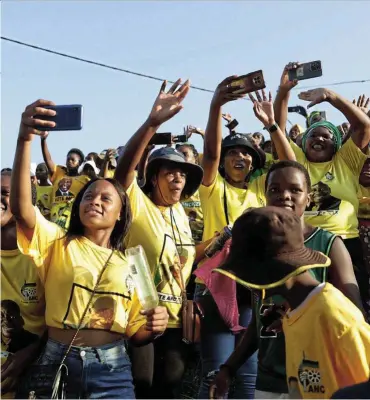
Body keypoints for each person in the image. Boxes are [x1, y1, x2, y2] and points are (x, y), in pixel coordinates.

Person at [11, 99, 169, 399]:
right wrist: (24, 138)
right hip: (56, 364)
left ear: (121, 212)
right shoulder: (57, 242)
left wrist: (155, 324)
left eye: (105, 198)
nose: (94, 201)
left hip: (113, 372)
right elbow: (22, 209)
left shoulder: (132, 263)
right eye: (88, 196)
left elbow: (137, 333)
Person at [209, 160, 364, 399]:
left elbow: (353, 323)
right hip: (280, 379)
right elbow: (259, 322)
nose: (284, 196)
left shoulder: (335, 311)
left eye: (295, 189)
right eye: (275, 189)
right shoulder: (259, 240)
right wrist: (229, 367)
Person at [195, 78, 296, 399]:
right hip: (216, 287)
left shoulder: (260, 190)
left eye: (247, 153)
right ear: (223, 161)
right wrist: (216, 107)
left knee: (250, 378)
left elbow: (290, 166)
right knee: (216, 372)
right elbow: (209, 155)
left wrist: (272, 126)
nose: (241, 157)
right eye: (233, 152)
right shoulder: (212, 188)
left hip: (254, 289)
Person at [115, 79, 206, 399]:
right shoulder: (137, 204)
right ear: (153, 177)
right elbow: (123, 171)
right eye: (170, 171)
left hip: (176, 319)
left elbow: (184, 255)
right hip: (139, 316)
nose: (178, 177)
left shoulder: (180, 213)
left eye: (183, 173)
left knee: (172, 385)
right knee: (142, 385)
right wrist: (152, 123)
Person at [274, 62, 370, 314]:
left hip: (345, 244)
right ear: (303, 143)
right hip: (301, 244)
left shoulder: (346, 161)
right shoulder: (298, 163)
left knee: (350, 313)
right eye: (313, 135)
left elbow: (363, 126)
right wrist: (284, 92)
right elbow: (276, 128)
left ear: (336, 144)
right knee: (304, 313)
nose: (319, 139)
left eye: (326, 136)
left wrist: (330, 95)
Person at [1, 169, 46, 398]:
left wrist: (31, 351)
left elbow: (63, 321)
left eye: (5, 193)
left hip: (31, 382)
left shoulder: (41, 256)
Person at [41, 137, 90, 228]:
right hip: (55, 218)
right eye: (68, 159)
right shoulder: (59, 172)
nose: (69, 162)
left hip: (73, 218)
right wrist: (43, 140)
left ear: (79, 163)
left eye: (73, 160)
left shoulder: (85, 179)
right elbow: (48, 159)